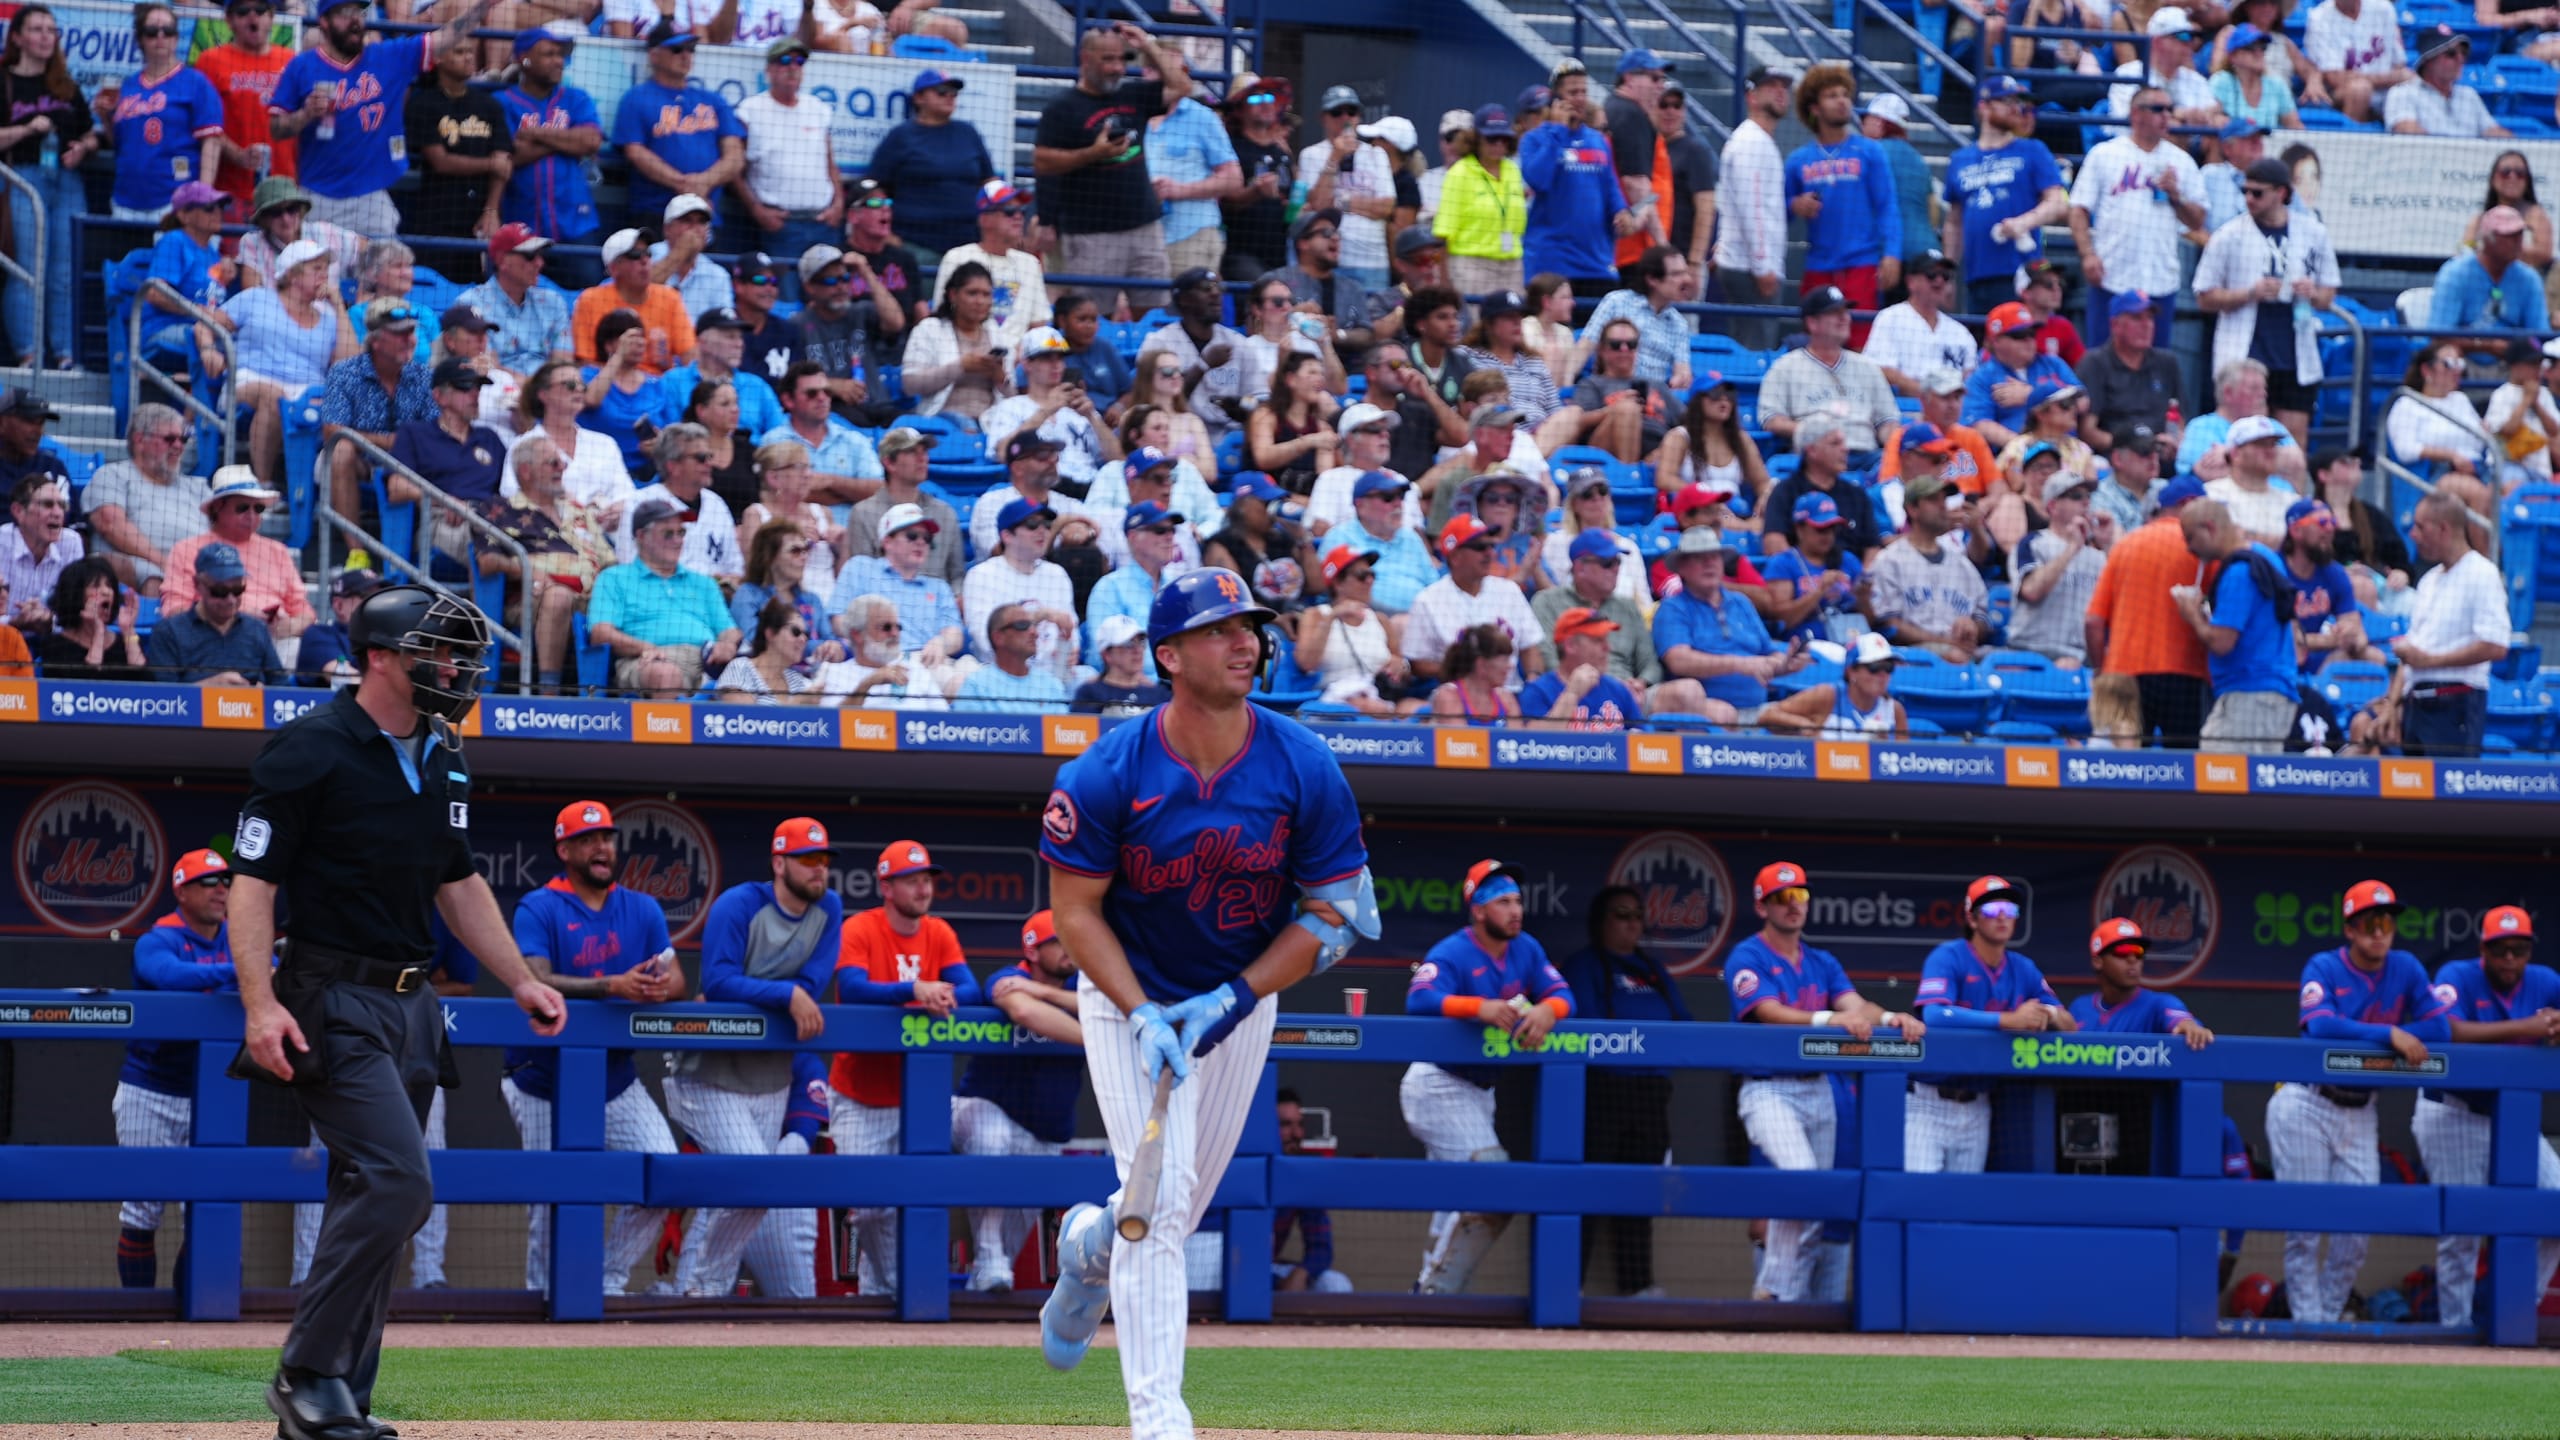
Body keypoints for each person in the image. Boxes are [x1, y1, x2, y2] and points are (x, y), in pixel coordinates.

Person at [1032, 565, 1373, 1423]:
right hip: (1130, 996)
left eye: (1248, 626)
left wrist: (1234, 999)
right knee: (1160, 1195)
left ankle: (1089, 1244)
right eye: (1219, 629)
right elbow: (1074, 913)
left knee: (1171, 1209)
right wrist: (1141, 1011)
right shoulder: (1108, 769)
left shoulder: (1303, 761)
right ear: (1169, 656)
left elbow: (1334, 914)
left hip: (1237, 1002)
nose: (1244, 642)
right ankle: (1160, 1418)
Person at [229, 586, 565, 1440]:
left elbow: (459, 881)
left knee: (366, 1191)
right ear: (380, 657)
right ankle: (307, 1372)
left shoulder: (445, 751)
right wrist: (260, 1005)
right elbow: (252, 884)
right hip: (331, 994)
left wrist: (520, 979)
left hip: (414, 1006)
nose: (453, 668)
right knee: (398, 1181)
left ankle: (341, 1397)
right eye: (436, 651)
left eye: (457, 653)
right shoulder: (309, 746)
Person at [500, 801, 683, 1296]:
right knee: (550, 1200)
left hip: (614, 1080)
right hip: (541, 1078)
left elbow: (677, 979)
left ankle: (606, 1281)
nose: (601, 847)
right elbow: (535, 978)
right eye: (587, 840)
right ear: (564, 850)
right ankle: (545, 1298)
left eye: (606, 837)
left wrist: (655, 987)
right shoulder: (540, 906)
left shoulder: (641, 908)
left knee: (662, 1174)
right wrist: (612, 986)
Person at [659, 818, 842, 1297]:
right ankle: (703, 1285)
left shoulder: (829, 909)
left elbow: (814, 983)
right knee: (754, 1179)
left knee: (745, 1189)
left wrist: (783, 994)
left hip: (770, 1079)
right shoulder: (739, 904)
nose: (819, 869)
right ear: (779, 863)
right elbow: (719, 982)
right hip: (706, 1075)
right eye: (807, 859)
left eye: (824, 859)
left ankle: (698, 1290)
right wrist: (785, 996)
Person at [1723, 863, 1919, 1298]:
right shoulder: (1748, 957)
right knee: (1803, 1177)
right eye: (1781, 898)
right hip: (1769, 1089)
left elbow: (1856, 1006)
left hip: (1817, 1088)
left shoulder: (1820, 961)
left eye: (1800, 897)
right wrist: (1828, 1019)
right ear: (1762, 907)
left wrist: (1891, 1017)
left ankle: (1786, 1302)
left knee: (1818, 1198)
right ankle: (1773, 1291)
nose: (1793, 906)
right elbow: (1768, 1012)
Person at [2265, 880, 2452, 1323]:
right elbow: (2320, 1027)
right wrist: (2388, 1034)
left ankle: (2327, 1319)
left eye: (2387, 922)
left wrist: (2394, 1035)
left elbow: (2440, 1029)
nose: (2380, 931)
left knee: (2359, 1226)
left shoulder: (2405, 967)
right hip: (2307, 1102)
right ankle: (2308, 1324)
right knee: (2305, 1226)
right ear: (2350, 929)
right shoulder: (2324, 965)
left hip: (2360, 1108)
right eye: (2369, 923)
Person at [1402, 858, 1569, 1292]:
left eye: (1517, 901)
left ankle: (1426, 1292)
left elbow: (1561, 992)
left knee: (1458, 1197)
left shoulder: (1526, 949)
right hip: (1438, 1082)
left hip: (1480, 1091)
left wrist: (1549, 1010)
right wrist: (1479, 1008)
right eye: (1503, 902)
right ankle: (1436, 1292)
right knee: (1494, 1183)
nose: (1515, 911)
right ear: (1478, 910)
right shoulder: (1453, 951)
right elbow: (1419, 999)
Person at [2415, 907, 2560, 1330]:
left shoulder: (2545, 981)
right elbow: (2446, 1030)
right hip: (2452, 1111)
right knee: (2462, 1232)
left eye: (2519, 949)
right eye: (2500, 950)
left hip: (2510, 1118)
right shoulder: (2458, 975)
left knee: (2555, 1209)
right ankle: (2456, 1330)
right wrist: (2529, 1026)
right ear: (2483, 950)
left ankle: (2513, 1310)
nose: (2509, 958)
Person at [108, 845, 238, 1288]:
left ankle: (188, 1317)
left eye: (226, 882)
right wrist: (241, 969)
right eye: (208, 882)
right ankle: (137, 1314)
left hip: (212, 1094)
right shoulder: (160, 938)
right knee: (143, 1211)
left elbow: (275, 966)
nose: (221, 890)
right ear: (182, 891)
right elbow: (167, 975)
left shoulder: (238, 935)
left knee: (203, 1210)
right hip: (150, 1090)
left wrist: (251, 963)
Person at [269, 0, 497, 236]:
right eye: (344, 13)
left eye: (358, 12)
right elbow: (276, 128)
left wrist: (483, 6)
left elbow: (446, 37)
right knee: (312, 259)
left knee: (388, 257)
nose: (354, 20)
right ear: (324, 22)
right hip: (318, 196)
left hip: (371, 196)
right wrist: (305, 114)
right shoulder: (302, 66)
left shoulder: (388, 56)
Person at [950, 906, 1086, 1290]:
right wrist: (1094, 1038)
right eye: (1056, 942)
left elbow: (1113, 1009)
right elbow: (1023, 1010)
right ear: (1032, 950)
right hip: (977, 1111)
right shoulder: (1009, 977)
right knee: (991, 1135)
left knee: (1001, 1263)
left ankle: (983, 1284)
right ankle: (988, 1256)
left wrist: (1045, 992)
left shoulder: (1084, 984)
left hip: (1042, 1133)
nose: (1068, 948)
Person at [1904, 875, 2073, 1176]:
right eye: (1993, 909)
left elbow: (2069, 1026)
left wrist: (2046, 1012)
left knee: (1963, 1200)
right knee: (1921, 1195)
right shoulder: (1949, 956)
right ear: (1972, 918)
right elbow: (1935, 1016)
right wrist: (2008, 1020)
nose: (2003, 916)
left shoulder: (2023, 968)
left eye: (2010, 910)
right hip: (1930, 1100)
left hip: (1979, 1104)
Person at [1034, 22, 1191, 314]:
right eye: (1108, 59)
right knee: (1092, 318)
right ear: (1085, 59)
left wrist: (1146, 44)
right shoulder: (1062, 107)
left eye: (1122, 59)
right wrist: (1093, 153)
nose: (1117, 68)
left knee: (1154, 313)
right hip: (1091, 233)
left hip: (1144, 227)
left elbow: (1182, 85)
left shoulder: (1133, 94)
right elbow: (1043, 161)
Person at [2195, 158, 2338, 451]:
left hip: (2294, 352)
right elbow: (2204, 297)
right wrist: (2249, 293)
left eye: (2257, 193)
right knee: (2246, 440)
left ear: (2281, 193)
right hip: (2245, 352)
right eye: (2245, 191)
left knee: (2293, 442)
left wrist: (2311, 292)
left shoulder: (2313, 232)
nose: (2249, 199)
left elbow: (2328, 296)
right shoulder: (2228, 235)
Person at [2375, 492, 2511, 756]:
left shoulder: (2482, 573)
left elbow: (2496, 645)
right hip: (2415, 705)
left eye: (2420, 527)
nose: (2413, 534)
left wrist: (2431, 661)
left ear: (2443, 529)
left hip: (2455, 702)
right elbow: (2413, 650)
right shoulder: (2428, 580)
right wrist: (2392, 704)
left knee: (2449, 784)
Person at [2085, 474, 2212, 745]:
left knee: (2124, 763)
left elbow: (2093, 622)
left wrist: (2101, 669)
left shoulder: (2125, 545)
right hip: (2185, 673)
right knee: (2184, 763)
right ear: (2189, 504)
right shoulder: (2202, 548)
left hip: (2124, 671)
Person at [2070, 87, 2201, 345]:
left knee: (2154, 362)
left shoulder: (2182, 161)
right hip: (2111, 275)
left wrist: (2176, 196)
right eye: (2158, 109)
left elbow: (2197, 220)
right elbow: (2078, 209)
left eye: (2170, 110)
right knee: (2102, 358)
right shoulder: (2105, 154)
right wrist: (2087, 255)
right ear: (2136, 114)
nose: (2166, 116)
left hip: (2159, 279)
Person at [1, 5, 94, 369]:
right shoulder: (4, 80)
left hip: (66, 181)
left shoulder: (65, 85)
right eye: (37, 29)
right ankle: (28, 352)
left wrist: (82, 147)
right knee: (26, 267)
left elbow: (90, 133)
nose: (45, 37)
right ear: (18, 37)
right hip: (22, 179)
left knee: (64, 271)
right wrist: (27, 129)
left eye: (51, 30)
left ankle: (64, 353)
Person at [1783, 66, 1900, 344]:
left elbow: (1887, 206)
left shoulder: (1870, 151)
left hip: (1862, 264)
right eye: (1832, 96)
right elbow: (1779, 213)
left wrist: (1892, 254)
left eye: (1845, 94)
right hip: (1818, 266)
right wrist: (1794, 204)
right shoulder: (1798, 160)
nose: (1842, 101)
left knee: (1861, 344)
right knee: (1818, 344)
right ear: (1815, 108)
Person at [2172, 497, 2297, 752]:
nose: (2189, 548)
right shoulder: (2265, 556)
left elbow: (2222, 642)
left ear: (2210, 528)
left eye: (2191, 537)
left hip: (2250, 691)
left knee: (2219, 768)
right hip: (2270, 689)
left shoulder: (2239, 572)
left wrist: (2192, 615)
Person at [588, 494, 742, 695]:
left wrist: (727, 645)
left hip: (708, 661)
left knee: (752, 676)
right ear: (641, 536)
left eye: (681, 532)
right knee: (665, 674)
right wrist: (644, 647)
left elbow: (730, 630)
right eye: (668, 534)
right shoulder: (614, 578)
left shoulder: (704, 583)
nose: (678, 541)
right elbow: (600, 633)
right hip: (649, 659)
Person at [1940, 77, 2068, 317]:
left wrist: (2024, 222)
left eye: (2017, 102)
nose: (2015, 108)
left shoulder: (2033, 150)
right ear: (1984, 106)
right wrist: (1947, 274)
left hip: (2024, 274)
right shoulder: (1960, 159)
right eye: (2006, 101)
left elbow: (2058, 203)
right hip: (1977, 276)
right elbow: (1954, 222)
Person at [1653, 528, 1801, 725]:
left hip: (1759, 708)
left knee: (1818, 706)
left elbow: (1768, 652)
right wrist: (1742, 664)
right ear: (1682, 567)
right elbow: (1679, 660)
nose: (1709, 563)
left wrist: (1784, 663)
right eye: (1699, 558)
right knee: (1725, 715)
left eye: (1714, 556)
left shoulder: (1741, 602)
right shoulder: (1673, 608)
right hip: (1707, 711)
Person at [609, 21, 744, 230]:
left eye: (691, 49)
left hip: (704, 215)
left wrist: (704, 182)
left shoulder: (713, 100)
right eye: (677, 49)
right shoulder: (636, 98)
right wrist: (683, 184)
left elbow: (735, 155)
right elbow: (635, 153)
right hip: (656, 214)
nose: (686, 55)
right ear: (654, 55)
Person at [734, 38, 845, 284]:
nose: (793, 67)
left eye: (799, 61)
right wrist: (756, 209)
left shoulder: (818, 108)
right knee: (786, 297)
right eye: (785, 61)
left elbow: (830, 163)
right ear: (769, 70)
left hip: (823, 222)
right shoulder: (750, 110)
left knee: (829, 295)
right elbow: (735, 171)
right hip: (782, 226)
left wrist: (838, 204)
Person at [1519, 60, 1631, 300]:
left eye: (1583, 92)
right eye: (1573, 93)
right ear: (1556, 98)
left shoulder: (1597, 140)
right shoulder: (1535, 139)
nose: (1580, 98)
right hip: (1552, 265)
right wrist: (1559, 131)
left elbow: (1610, 186)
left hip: (1596, 264)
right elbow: (1538, 180)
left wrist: (1621, 211)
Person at [491, 25, 603, 264]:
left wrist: (534, 133)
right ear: (524, 59)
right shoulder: (501, 102)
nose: (559, 61)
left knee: (586, 282)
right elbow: (511, 155)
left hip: (575, 222)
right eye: (549, 54)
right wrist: (567, 140)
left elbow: (591, 141)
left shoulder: (576, 98)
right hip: (522, 224)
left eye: (560, 55)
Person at [102, 4, 222, 224]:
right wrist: (105, 118)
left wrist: (202, 197)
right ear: (140, 39)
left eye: (167, 31)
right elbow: (120, 144)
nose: (160, 37)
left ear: (176, 38)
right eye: (151, 32)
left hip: (176, 203)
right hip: (126, 201)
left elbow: (212, 141)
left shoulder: (195, 82)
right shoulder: (129, 86)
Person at [162, 469, 314, 639]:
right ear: (217, 508)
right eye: (242, 508)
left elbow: (304, 610)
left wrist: (292, 626)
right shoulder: (186, 550)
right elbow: (174, 611)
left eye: (258, 508)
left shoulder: (278, 551)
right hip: (213, 637)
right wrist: (233, 614)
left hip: (278, 638)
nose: (252, 515)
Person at [1759, 289, 1901, 459]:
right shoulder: (1785, 367)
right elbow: (1771, 419)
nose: (1844, 318)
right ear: (1812, 323)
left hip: (1866, 455)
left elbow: (1887, 420)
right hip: (1816, 457)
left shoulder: (1867, 366)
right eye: (1834, 313)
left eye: (1845, 312)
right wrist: (1811, 432)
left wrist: (1893, 442)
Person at [78, 405, 204, 596]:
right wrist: (166, 564)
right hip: (142, 568)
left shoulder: (198, 487)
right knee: (154, 579)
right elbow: (110, 524)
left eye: (183, 439)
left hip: (198, 572)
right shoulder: (112, 475)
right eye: (169, 439)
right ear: (139, 440)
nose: (179, 446)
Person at [1404, 513, 1544, 681]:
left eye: (1491, 546)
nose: (1489, 553)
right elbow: (1417, 663)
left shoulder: (1509, 591)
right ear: (1455, 557)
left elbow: (1530, 646)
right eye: (1480, 547)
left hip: (1509, 690)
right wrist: (1468, 674)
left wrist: (1533, 678)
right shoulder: (1428, 600)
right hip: (1456, 691)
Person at [1867, 474, 1988, 662]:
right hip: (1910, 655)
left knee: (2008, 663)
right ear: (1912, 509)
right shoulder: (1890, 560)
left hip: (1961, 651)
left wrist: (1973, 627)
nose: (1942, 506)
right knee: (1956, 657)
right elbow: (1889, 624)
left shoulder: (1961, 563)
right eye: (1933, 500)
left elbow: (1983, 619)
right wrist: (1945, 642)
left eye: (1943, 500)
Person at [1715, 65, 1793, 348]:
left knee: (1750, 346)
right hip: (1751, 268)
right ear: (1752, 96)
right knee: (1755, 353)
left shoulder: (1755, 139)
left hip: (1746, 263)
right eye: (1771, 86)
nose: (1780, 92)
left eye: (1784, 86)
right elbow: (1753, 210)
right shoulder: (1752, 142)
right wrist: (1762, 267)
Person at [401, 38, 510, 239]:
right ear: (438, 58)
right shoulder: (422, 104)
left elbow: (503, 164)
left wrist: (491, 210)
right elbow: (441, 162)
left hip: (481, 213)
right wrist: (490, 164)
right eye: (459, 52)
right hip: (437, 213)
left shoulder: (489, 105)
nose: (468, 57)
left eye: (470, 51)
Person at [931, 181, 1050, 357]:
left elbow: (1038, 325)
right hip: (965, 355)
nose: (1018, 217)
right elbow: (943, 319)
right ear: (984, 219)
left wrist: (1018, 358)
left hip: (1019, 361)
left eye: (1022, 211)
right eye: (1009, 211)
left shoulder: (1030, 264)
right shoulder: (957, 257)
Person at [194, 0, 291, 218]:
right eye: (243, 11)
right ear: (229, 20)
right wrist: (237, 154)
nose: (252, 17)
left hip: (282, 191)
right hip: (230, 191)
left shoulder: (291, 60)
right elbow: (203, 124)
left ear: (271, 17)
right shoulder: (210, 60)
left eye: (260, 10)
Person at [963, 496, 1079, 676]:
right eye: (1032, 524)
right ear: (1007, 536)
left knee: (1087, 676)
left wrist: (1072, 650)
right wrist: (1039, 616)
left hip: (1052, 672)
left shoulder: (1057, 574)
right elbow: (985, 640)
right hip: (999, 673)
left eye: (1046, 525)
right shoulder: (982, 575)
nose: (1042, 531)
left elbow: (1072, 630)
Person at [502, 361, 633, 519]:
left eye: (582, 385)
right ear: (544, 395)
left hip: (606, 529)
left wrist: (617, 510)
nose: (579, 389)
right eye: (570, 385)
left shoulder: (605, 443)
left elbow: (626, 493)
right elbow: (510, 493)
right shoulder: (523, 445)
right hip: (548, 528)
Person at [2008, 471, 2109, 667]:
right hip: (2029, 651)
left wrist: (2108, 544)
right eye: (2076, 496)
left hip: (2079, 658)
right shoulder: (2034, 542)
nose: (2086, 502)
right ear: (2053, 506)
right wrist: (2072, 548)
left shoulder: (2098, 557)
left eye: (2088, 496)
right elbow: (2031, 591)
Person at [841, 429, 963, 591]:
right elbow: (861, 576)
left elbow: (957, 576)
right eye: (912, 452)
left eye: (924, 451)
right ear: (889, 463)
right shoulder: (863, 513)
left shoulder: (945, 513)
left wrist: (953, 598)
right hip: (884, 601)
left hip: (936, 602)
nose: (922, 459)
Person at [616, 424, 743, 579]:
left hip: (714, 592)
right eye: (700, 458)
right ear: (673, 466)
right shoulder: (640, 503)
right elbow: (628, 564)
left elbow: (735, 566)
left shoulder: (717, 504)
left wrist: (727, 581)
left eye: (709, 456)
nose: (709, 464)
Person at [1432, 105, 1527, 298]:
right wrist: (1444, 281)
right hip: (1471, 265)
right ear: (1476, 139)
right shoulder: (1459, 173)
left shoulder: (1513, 170)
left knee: (1513, 316)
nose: (1499, 144)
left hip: (1512, 265)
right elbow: (1443, 234)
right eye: (1492, 139)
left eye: (1504, 138)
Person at [1085, 499, 1189, 674]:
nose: (1169, 536)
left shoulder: (1177, 587)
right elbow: (1101, 656)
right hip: (1132, 686)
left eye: (1172, 530)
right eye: (1160, 530)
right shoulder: (1110, 588)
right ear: (1134, 537)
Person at [573, 229, 696, 376]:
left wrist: (665, 363)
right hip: (608, 381)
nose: (644, 261)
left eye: (647, 254)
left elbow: (690, 358)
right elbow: (586, 364)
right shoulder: (590, 300)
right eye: (635, 255)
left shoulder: (669, 297)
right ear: (614, 268)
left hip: (658, 383)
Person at [2077, 291, 2185, 453]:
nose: (2146, 325)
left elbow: (2180, 418)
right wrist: (2134, 447)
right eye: (2137, 318)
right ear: (2115, 325)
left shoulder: (2167, 362)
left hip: (2161, 453)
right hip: (2115, 454)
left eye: (2150, 318)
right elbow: (2087, 431)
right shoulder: (2095, 363)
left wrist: (2174, 441)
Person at [461, 228, 572, 381]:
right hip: (497, 389)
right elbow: (485, 367)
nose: (539, 263)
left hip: (550, 389)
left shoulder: (553, 302)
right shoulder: (470, 304)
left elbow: (563, 363)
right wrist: (534, 389)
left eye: (540, 255)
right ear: (502, 260)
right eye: (530, 256)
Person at [1962, 302, 2076, 451]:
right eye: (2020, 335)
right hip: (2012, 456)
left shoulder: (2053, 364)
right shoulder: (1982, 377)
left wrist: (2031, 395)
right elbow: (1978, 424)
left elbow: (2083, 402)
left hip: (2069, 450)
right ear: (1996, 341)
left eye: (2032, 333)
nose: (2029, 341)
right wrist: (2029, 448)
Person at [1577, 248, 1696, 389]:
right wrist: (1564, 385)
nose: (1686, 280)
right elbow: (1585, 347)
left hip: (1654, 396)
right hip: (1611, 389)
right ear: (1652, 279)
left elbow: (1683, 369)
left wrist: (1681, 379)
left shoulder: (1679, 323)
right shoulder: (1616, 302)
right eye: (1676, 274)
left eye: (1685, 273)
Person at [1863, 250, 1976, 397]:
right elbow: (1879, 368)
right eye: (1931, 275)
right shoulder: (1891, 318)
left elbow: (1970, 376)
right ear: (1911, 282)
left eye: (1945, 275)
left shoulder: (1959, 332)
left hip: (1952, 406)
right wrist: (1926, 394)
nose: (1939, 281)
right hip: (1904, 404)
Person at [2429, 204, 2548, 341]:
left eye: (2520, 234)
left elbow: (2540, 335)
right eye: (2509, 236)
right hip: (2463, 352)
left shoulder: (2529, 279)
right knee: (2446, 352)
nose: (2518, 242)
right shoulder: (2455, 273)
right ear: (2488, 239)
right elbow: (2439, 334)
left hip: (2513, 353)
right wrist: (2488, 346)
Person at [1219, 78, 1296, 282]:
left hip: (1281, 253)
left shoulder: (1282, 152)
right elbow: (1224, 203)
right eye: (1255, 99)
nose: (1265, 103)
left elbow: (1292, 195)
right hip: (1241, 253)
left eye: (1269, 97)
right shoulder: (1230, 148)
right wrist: (1255, 192)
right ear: (1239, 109)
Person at [2304, 0, 2413, 124]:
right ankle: (2353, 134)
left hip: (2386, 91)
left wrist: (2397, 77)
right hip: (2343, 92)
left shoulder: (2383, 8)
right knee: (2360, 89)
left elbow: (2398, 63)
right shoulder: (2320, 17)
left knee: (2413, 88)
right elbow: (2335, 78)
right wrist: (2389, 78)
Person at [39, 559, 149, 680]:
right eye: (96, 586)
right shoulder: (56, 645)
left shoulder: (126, 642)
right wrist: (98, 633)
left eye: (109, 585)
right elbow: (86, 686)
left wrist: (128, 630)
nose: (106, 592)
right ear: (76, 595)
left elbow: (146, 684)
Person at [2111, 9, 2225, 125]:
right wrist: (2180, 116)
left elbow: (2216, 115)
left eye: (2192, 36)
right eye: (2183, 37)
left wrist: (2208, 116)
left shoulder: (2196, 80)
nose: (2189, 43)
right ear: (2157, 42)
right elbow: (2129, 123)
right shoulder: (2128, 74)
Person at [2390, 26, 2507, 137]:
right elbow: (2406, 129)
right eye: (2451, 54)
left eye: (2463, 53)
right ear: (2429, 60)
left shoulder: (2469, 95)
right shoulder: (2404, 93)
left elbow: (2492, 130)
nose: (2460, 59)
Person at [713, 596, 819, 704]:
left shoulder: (798, 681)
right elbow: (744, 714)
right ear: (770, 633)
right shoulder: (741, 668)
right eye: (795, 631)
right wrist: (797, 702)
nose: (803, 639)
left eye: (806, 634)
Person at [1424, 622, 1523, 725]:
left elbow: (1517, 735)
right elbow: (1458, 736)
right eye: (1504, 660)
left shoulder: (1506, 698)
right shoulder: (1448, 697)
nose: (1510, 666)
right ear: (1482, 665)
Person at [2212, 24, 2302, 131]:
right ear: (2233, 56)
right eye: (2251, 47)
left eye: (2263, 46)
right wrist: (2219, 120)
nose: (2259, 53)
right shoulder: (2221, 81)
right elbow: (2210, 119)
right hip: (2231, 141)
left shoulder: (2276, 85)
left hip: (2267, 142)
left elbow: (2295, 125)